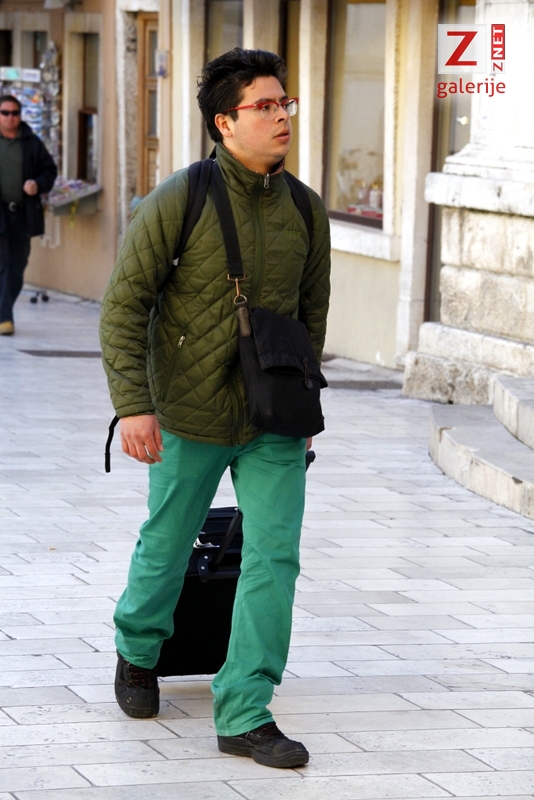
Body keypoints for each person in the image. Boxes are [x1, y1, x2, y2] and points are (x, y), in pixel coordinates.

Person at [100, 47, 330, 769]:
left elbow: (311, 317)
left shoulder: (306, 208)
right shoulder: (181, 197)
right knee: (168, 543)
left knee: (274, 555)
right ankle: (139, 650)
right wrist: (135, 406)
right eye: (265, 105)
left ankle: (245, 710)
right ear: (225, 122)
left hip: (272, 419)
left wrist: (302, 406)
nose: (282, 116)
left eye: (285, 102)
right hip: (188, 411)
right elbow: (124, 305)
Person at [0, 95, 57, 335]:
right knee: (3, 264)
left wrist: (38, 184)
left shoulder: (31, 142)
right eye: (5, 113)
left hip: (21, 215)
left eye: (14, 113)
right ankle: (4, 318)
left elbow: (50, 170)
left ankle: (3, 312)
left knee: (17, 265)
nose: (10, 118)